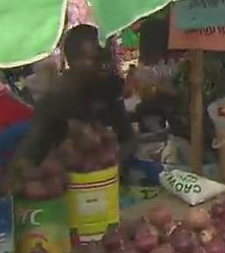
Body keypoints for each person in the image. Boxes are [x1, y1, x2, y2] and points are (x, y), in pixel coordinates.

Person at [15, 24, 135, 164]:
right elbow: (29, 159)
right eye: (95, 59)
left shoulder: (108, 89)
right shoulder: (54, 104)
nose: (104, 65)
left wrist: (113, 161)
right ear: (72, 62)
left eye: (107, 58)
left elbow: (128, 139)